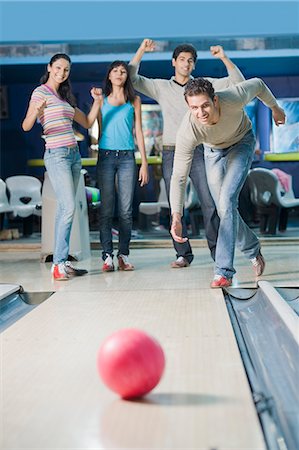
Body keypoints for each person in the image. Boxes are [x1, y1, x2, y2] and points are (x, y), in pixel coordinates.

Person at [129, 39, 245, 268]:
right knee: (176, 205)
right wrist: (142, 50)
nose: (186, 63)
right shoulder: (161, 87)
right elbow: (132, 79)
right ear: (174, 62)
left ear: (194, 65)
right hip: (172, 152)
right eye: (182, 59)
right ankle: (182, 253)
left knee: (210, 202)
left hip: (201, 150)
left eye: (190, 60)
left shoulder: (204, 86)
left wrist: (223, 57)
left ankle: (217, 254)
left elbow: (237, 82)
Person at [170, 77, 286, 287]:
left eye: (205, 105)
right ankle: (252, 249)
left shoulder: (232, 98)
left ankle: (223, 271)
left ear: (215, 100)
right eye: (194, 107)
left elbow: (259, 84)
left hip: (241, 142)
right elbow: (178, 176)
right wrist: (176, 216)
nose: (201, 112)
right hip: (212, 151)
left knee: (226, 202)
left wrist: (275, 108)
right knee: (224, 209)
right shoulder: (189, 129)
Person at [22, 53, 102, 281]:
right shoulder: (40, 93)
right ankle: (58, 264)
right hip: (56, 155)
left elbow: (86, 122)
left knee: (65, 209)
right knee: (67, 207)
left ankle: (61, 261)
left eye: (66, 69)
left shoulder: (65, 97)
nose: (62, 72)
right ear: (49, 67)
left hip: (74, 155)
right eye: (58, 67)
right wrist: (37, 111)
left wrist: (97, 102)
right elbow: (27, 125)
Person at [96, 60, 149, 272]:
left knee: (126, 211)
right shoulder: (100, 100)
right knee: (106, 210)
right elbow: (99, 129)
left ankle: (123, 255)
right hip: (106, 157)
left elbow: (139, 132)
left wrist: (144, 162)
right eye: (115, 71)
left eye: (123, 72)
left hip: (128, 158)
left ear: (127, 76)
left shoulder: (134, 100)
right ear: (109, 75)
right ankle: (107, 256)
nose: (119, 74)